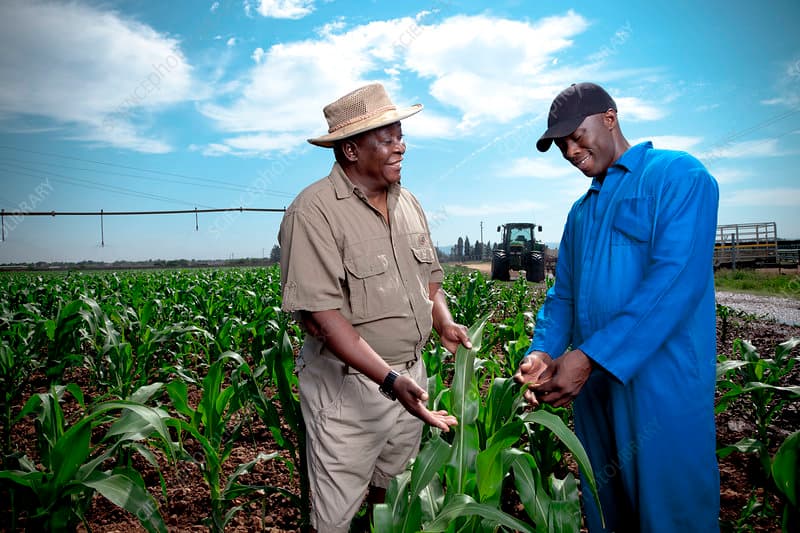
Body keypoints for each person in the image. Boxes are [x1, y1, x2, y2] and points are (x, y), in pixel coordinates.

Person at [513, 82, 720, 532]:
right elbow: (562, 294)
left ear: (610, 118)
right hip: (594, 391)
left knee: (672, 508)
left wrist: (588, 357)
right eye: (561, 144)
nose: (570, 151)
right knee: (607, 507)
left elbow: (674, 283)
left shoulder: (679, 176)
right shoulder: (580, 212)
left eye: (576, 136)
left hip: (661, 387)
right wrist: (543, 351)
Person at [278, 82, 471, 533]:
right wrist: (388, 379)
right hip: (348, 389)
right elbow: (323, 321)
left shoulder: (410, 203)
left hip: (412, 378)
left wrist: (441, 320)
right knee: (334, 516)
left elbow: (429, 281)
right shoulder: (313, 213)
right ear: (349, 150)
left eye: (400, 135)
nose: (400, 146)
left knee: (395, 492)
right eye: (386, 139)